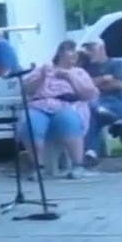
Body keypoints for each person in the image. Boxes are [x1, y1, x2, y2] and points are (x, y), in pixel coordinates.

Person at [17, 40, 98, 179]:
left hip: (67, 105)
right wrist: (42, 76)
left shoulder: (79, 72)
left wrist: (70, 78)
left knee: (68, 119)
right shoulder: (43, 69)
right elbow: (27, 90)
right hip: (40, 105)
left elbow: (88, 95)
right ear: (60, 53)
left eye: (76, 52)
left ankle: (78, 165)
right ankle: (38, 167)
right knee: (29, 122)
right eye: (70, 51)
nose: (74, 55)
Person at [80, 38, 122, 164]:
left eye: (91, 49)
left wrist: (93, 84)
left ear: (101, 48)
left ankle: (91, 151)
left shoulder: (116, 64)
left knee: (91, 113)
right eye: (87, 49)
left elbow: (118, 84)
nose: (88, 52)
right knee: (92, 115)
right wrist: (103, 79)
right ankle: (91, 152)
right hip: (95, 104)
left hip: (113, 102)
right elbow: (83, 86)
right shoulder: (85, 67)